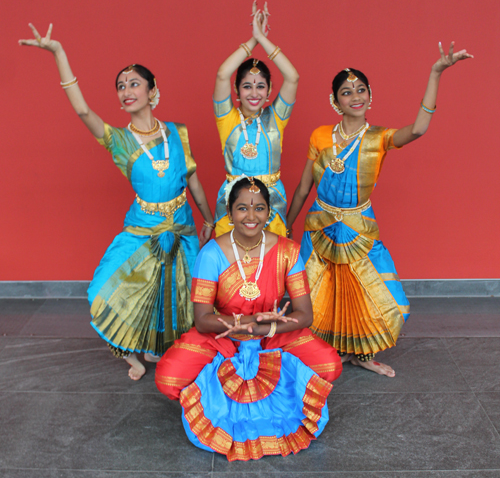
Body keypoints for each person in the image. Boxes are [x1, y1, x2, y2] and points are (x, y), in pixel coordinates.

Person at [19, 23, 215, 380]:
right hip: (143, 227)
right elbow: (82, 111)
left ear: (153, 91)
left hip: (181, 225)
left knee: (173, 294)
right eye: (121, 86)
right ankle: (131, 354)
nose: (126, 91)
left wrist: (209, 219)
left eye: (134, 83)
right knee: (111, 288)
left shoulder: (178, 132)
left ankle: (158, 351)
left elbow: (194, 181)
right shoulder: (118, 140)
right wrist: (59, 53)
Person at [286, 42, 473, 377]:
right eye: (346, 92)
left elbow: (417, 129)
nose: (354, 96)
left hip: (359, 225)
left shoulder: (379, 138)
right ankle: (332, 351)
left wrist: (436, 72)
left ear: (370, 96)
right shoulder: (320, 136)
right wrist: (287, 224)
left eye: (360, 90)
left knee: (369, 290)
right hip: (319, 223)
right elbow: (303, 187)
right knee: (321, 290)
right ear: (335, 101)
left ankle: (363, 352)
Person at [155, 177, 342, 461]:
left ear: (269, 213)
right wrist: (249, 321)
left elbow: (305, 315)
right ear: (229, 214)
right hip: (223, 335)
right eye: (242, 208)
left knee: (329, 365)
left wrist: (266, 327)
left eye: (259, 208)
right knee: (168, 377)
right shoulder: (211, 253)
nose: (251, 216)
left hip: (273, 335)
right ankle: (215, 393)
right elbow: (203, 320)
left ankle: (274, 395)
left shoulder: (288, 251)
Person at [212, 1, 299, 237]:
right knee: (230, 264)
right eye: (247, 86)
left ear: (269, 90)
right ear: (236, 90)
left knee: (273, 264)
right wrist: (252, 40)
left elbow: (292, 77)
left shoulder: (276, 117)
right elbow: (222, 73)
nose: (254, 93)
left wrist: (263, 38)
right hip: (234, 199)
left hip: (271, 200)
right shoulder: (226, 119)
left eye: (260, 86)